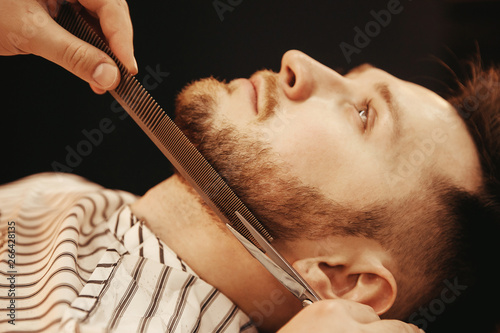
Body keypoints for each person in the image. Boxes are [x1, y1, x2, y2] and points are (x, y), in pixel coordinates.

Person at [1, 1, 499, 333]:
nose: (298, 62)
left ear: (344, 279)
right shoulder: (65, 197)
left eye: (364, 114)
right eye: (347, 74)